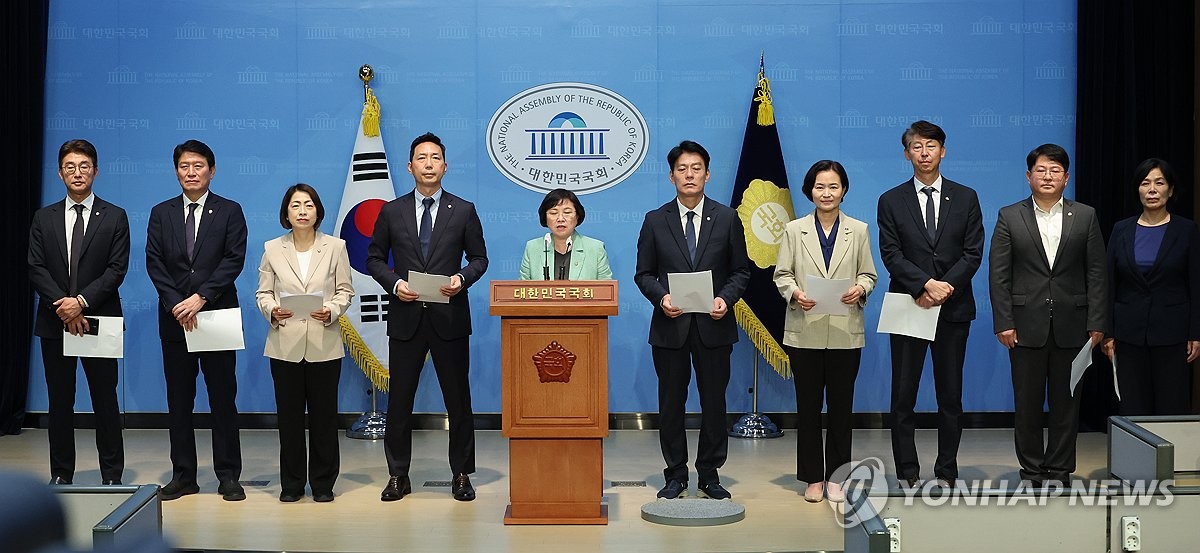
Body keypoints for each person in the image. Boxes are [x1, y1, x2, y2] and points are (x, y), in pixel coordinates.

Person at [367, 132, 488, 502]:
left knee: (458, 401)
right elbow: (373, 259)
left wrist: (461, 279)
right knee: (400, 401)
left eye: (436, 157)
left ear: (445, 166)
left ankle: (462, 474)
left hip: (448, 316)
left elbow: (480, 259)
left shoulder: (464, 210)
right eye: (422, 158)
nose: (429, 164)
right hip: (406, 316)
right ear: (410, 166)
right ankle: (398, 475)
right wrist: (394, 283)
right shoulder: (392, 211)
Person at [634, 140, 750, 500]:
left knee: (714, 402)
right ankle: (675, 474)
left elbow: (741, 272)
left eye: (696, 168)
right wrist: (662, 297)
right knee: (671, 403)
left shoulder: (728, 217)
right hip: (670, 327)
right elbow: (644, 274)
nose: (689, 174)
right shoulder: (656, 220)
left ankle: (710, 473)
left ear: (707, 174)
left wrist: (725, 299)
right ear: (671, 176)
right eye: (682, 169)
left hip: (714, 326)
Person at [989, 143, 1108, 487]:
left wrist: (1097, 322)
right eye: (1041, 170)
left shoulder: (1085, 215)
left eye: (1055, 170)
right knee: (1026, 405)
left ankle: (1059, 470)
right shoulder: (1010, 216)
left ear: (1066, 178)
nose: (1047, 176)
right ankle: (1031, 471)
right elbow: (999, 274)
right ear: (1028, 176)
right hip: (1025, 327)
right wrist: (1004, 321)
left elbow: (1097, 273)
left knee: (1066, 404)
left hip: (1074, 325)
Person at [876, 121, 984, 488]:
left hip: (953, 310)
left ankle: (947, 469)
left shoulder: (966, 197)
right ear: (906, 153)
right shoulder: (891, 200)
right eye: (916, 146)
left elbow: (972, 253)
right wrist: (924, 284)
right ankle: (907, 470)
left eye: (931, 145)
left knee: (949, 396)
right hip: (910, 305)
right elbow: (891, 254)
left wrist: (944, 287)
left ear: (943, 150)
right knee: (902, 395)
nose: (924, 153)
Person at [146, 139, 248, 501]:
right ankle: (184, 475)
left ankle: (228, 475)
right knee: (179, 400)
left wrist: (201, 297)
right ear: (176, 171)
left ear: (212, 170)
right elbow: (154, 263)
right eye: (184, 166)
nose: (191, 172)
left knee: (223, 398)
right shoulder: (161, 212)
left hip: (216, 314)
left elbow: (233, 260)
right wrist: (178, 304)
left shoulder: (230, 211)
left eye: (198, 165)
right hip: (176, 319)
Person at [773, 160, 877, 503]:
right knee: (807, 408)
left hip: (846, 329)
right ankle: (812, 478)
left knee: (841, 408)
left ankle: (836, 477)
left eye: (833, 186)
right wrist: (795, 293)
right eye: (820, 187)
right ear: (810, 191)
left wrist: (860, 289)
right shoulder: (793, 229)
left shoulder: (859, 230)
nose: (827, 193)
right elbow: (782, 274)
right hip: (805, 329)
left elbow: (869, 275)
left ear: (843, 190)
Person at [28, 139, 129, 486]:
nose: (77, 172)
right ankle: (61, 474)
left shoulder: (115, 215)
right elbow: (36, 267)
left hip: (99, 319)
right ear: (59, 173)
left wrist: (81, 303)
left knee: (106, 401)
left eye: (84, 166)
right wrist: (65, 306)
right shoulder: (44, 217)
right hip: (56, 322)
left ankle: (113, 476)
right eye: (70, 166)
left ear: (96, 171)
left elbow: (116, 270)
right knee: (60, 402)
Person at [255, 184, 354, 502]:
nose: (302, 210)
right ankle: (292, 484)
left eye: (308, 205)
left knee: (325, 418)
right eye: (295, 205)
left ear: (317, 211)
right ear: (286, 212)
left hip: (324, 341)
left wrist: (332, 310)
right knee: (290, 419)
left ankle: (323, 484)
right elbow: (263, 293)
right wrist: (272, 310)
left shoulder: (336, 247)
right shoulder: (272, 248)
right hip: (285, 343)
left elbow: (345, 291)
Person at [1102, 158, 1200, 415]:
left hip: (1172, 332)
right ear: (1138, 190)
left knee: (1172, 405)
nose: (1152, 189)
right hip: (1128, 334)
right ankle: (1135, 457)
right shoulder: (1121, 230)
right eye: (1146, 183)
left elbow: (1196, 284)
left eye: (1159, 183)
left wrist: (1195, 333)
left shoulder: (1187, 230)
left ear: (1171, 190)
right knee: (1133, 407)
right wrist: (1108, 332)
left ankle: (1172, 457)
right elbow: (1109, 283)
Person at [518, 188, 612, 280]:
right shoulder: (533, 248)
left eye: (567, 212)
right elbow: (522, 290)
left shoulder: (595, 249)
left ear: (577, 216)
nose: (560, 219)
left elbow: (606, 291)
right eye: (553, 213)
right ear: (545, 218)